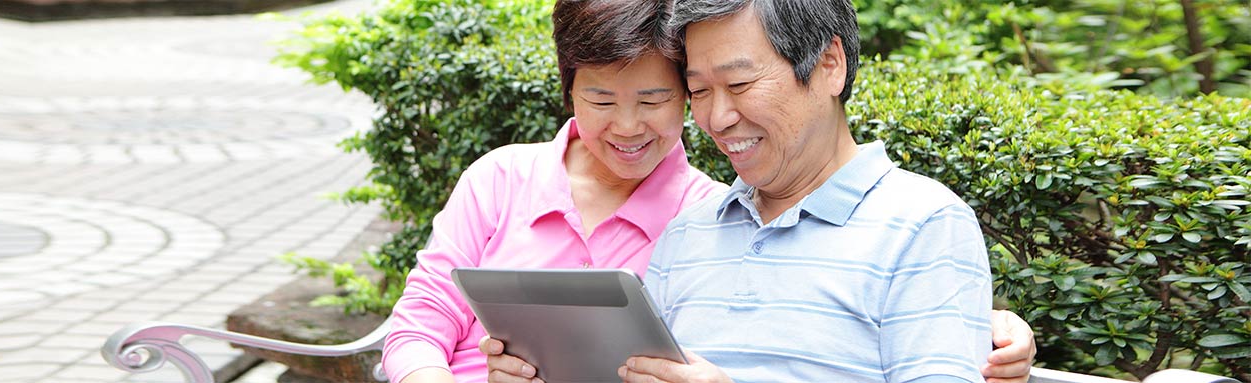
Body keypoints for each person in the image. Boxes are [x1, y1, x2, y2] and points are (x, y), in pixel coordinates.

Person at [391, 1, 1036, 383]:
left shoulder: (923, 223)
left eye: (740, 83)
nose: (717, 117)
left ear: (830, 65)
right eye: (700, 90)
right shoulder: (694, 229)